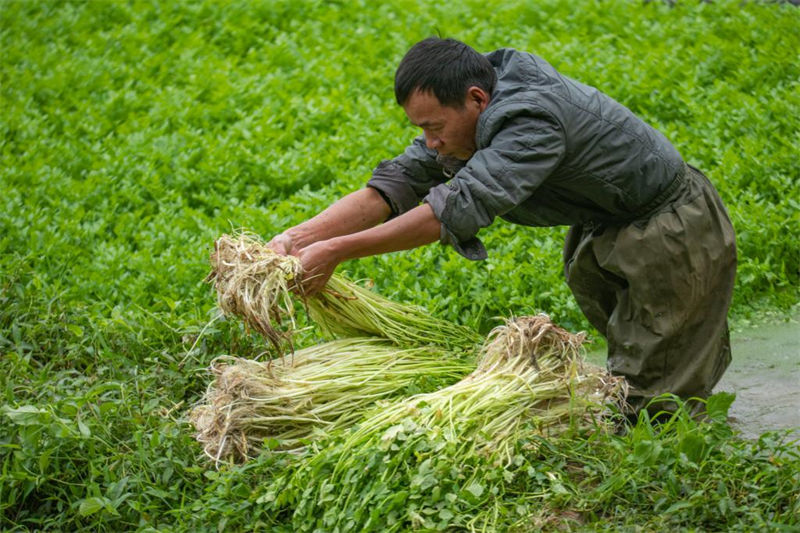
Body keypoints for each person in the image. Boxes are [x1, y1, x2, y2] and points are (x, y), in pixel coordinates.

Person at [268, 37, 737, 417]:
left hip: (669, 230)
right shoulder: (477, 100)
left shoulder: (531, 123)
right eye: (421, 129)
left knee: (656, 400)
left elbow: (454, 208)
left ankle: (675, 474)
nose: (431, 144)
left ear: (476, 99)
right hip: (607, 224)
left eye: (434, 128)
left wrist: (337, 253)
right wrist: (302, 238)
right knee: (636, 361)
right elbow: (396, 184)